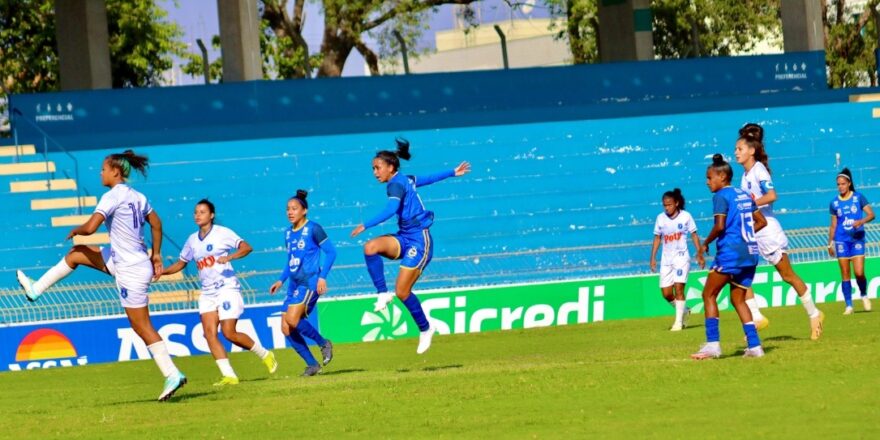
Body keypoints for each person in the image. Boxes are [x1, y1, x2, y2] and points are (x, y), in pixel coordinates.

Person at [16, 150, 186, 401]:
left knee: (141, 326)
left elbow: (91, 227)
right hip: (127, 261)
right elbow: (157, 223)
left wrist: (78, 229)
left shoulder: (112, 196)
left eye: (103, 169)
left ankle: (172, 373)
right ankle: (36, 289)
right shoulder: (138, 196)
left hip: (129, 270)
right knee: (77, 254)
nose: (100, 173)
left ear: (115, 172)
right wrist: (157, 254)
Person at [350, 138, 470, 354]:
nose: (375, 172)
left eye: (377, 168)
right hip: (404, 237)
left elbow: (391, 209)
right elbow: (428, 178)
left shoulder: (396, 184)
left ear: (390, 167)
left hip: (419, 241)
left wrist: (365, 224)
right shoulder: (406, 179)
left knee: (402, 291)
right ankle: (382, 293)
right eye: (373, 169)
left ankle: (426, 328)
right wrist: (452, 172)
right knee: (370, 248)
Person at [161, 199, 277, 385]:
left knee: (229, 332)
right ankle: (229, 375)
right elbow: (181, 263)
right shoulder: (192, 240)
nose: (197, 215)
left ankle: (265, 354)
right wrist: (162, 273)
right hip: (207, 292)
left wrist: (230, 257)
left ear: (211, 215)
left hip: (226, 288)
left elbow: (247, 247)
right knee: (209, 334)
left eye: (202, 212)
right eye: (196, 212)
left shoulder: (222, 233)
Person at [734, 123, 824, 340]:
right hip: (753, 231)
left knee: (787, 275)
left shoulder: (759, 170)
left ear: (751, 150)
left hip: (768, 231)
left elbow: (772, 196)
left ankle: (815, 314)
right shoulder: (745, 176)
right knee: (740, 274)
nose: (735, 153)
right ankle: (756, 316)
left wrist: (750, 204)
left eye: (739, 149)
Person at [692, 154, 768, 360]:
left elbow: (719, 226)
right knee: (738, 299)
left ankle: (713, 345)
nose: (707, 182)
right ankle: (755, 346)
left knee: (708, 294)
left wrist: (705, 243)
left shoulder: (720, 196)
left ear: (722, 177)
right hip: (750, 254)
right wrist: (744, 237)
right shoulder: (744, 194)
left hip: (731, 254)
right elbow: (761, 222)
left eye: (710, 178)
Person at [269, 190, 336, 377]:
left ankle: (323, 343)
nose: (290, 212)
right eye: (288, 209)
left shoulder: (314, 228)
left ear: (304, 210)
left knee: (292, 319)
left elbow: (331, 252)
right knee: (286, 327)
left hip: (310, 281)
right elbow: (290, 260)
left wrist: (323, 277)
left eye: (294, 209)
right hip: (293, 284)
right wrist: (281, 280)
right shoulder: (288, 233)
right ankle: (312, 365)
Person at [649, 188, 704, 331]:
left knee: (679, 288)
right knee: (666, 293)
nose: (667, 208)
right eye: (665, 205)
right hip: (666, 259)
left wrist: (700, 254)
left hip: (681, 257)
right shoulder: (660, 218)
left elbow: (694, 235)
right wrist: (653, 257)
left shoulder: (686, 216)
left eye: (669, 205)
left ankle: (678, 323)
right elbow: (657, 238)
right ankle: (684, 310)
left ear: (676, 203)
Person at [828, 168, 875, 314]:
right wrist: (830, 243)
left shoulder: (858, 197)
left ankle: (864, 295)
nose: (840, 186)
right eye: (838, 184)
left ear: (849, 183)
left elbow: (871, 215)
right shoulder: (834, 203)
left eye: (843, 184)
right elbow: (833, 225)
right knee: (845, 273)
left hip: (857, 239)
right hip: (841, 240)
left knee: (859, 272)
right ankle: (849, 305)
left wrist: (861, 221)